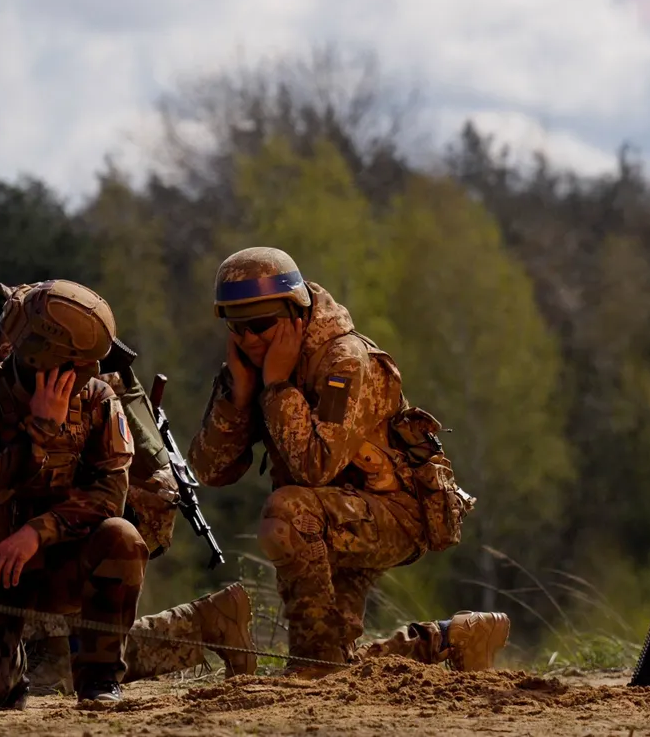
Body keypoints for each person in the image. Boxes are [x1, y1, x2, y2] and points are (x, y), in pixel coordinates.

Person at [0, 276, 256, 696]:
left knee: (56, 671)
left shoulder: (61, 358)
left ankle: (199, 627)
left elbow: (104, 486)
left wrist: (36, 526)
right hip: (37, 528)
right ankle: (200, 624)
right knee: (2, 674)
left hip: (107, 516)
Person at [188, 247, 509, 678]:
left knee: (287, 510)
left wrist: (278, 387)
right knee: (340, 662)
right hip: (332, 517)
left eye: (261, 325)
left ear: (295, 312)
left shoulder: (343, 360)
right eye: (236, 326)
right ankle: (450, 640)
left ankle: (309, 669)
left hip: (392, 512)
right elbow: (210, 471)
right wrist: (239, 399)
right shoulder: (253, 366)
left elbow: (314, 467)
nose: (248, 339)